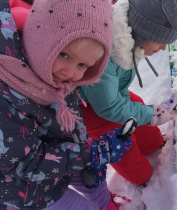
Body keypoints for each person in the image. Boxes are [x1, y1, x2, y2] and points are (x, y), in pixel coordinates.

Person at [0, 0, 132, 209]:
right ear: (39, 38)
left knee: (94, 181)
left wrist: (90, 153)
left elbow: (65, 120)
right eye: (64, 55)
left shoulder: (53, 73)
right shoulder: (6, 97)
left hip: (62, 157)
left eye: (83, 65)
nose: (70, 73)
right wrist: (89, 153)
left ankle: (108, 205)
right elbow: (23, 163)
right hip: (26, 191)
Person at [78, 0, 177, 186]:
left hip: (109, 97)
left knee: (136, 105)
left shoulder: (127, 36)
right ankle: (144, 179)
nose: (164, 48)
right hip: (89, 108)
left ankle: (154, 144)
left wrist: (150, 115)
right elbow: (109, 107)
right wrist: (152, 114)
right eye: (161, 41)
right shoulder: (103, 54)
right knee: (121, 141)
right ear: (144, 33)